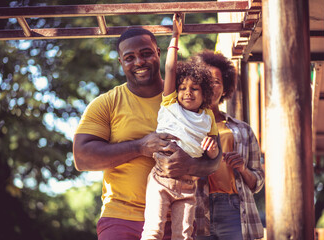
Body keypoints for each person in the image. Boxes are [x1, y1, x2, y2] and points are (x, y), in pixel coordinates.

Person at [72, 26, 222, 240]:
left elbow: (216, 160)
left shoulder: (190, 102)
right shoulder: (106, 104)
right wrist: (140, 146)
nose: (139, 62)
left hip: (177, 220)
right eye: (129, 57)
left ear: (158, 53)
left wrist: (189, 165)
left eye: (145, 53)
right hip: (120, 219)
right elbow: (82, 158)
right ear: (120, 63)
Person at [141, 15, 219, 240]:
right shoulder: (170, 104)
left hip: (188, 185)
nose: (187, 92)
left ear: (204, 93)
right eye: (183, 87)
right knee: (153, 231)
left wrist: (212, 151)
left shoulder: (207, 118)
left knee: (183, 235)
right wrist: (175, 37)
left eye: (195, 88)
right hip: (160, 178)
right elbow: (171, 70)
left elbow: (212, 153)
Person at [192, 50, 264, 240]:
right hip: (196, 210)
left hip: (233, 209)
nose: (209, 86)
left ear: (224, 89)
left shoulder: (243, 130)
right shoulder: (184, 127)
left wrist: (242, 169)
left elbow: (257, 182)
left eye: (215, 81)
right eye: (204, 80)